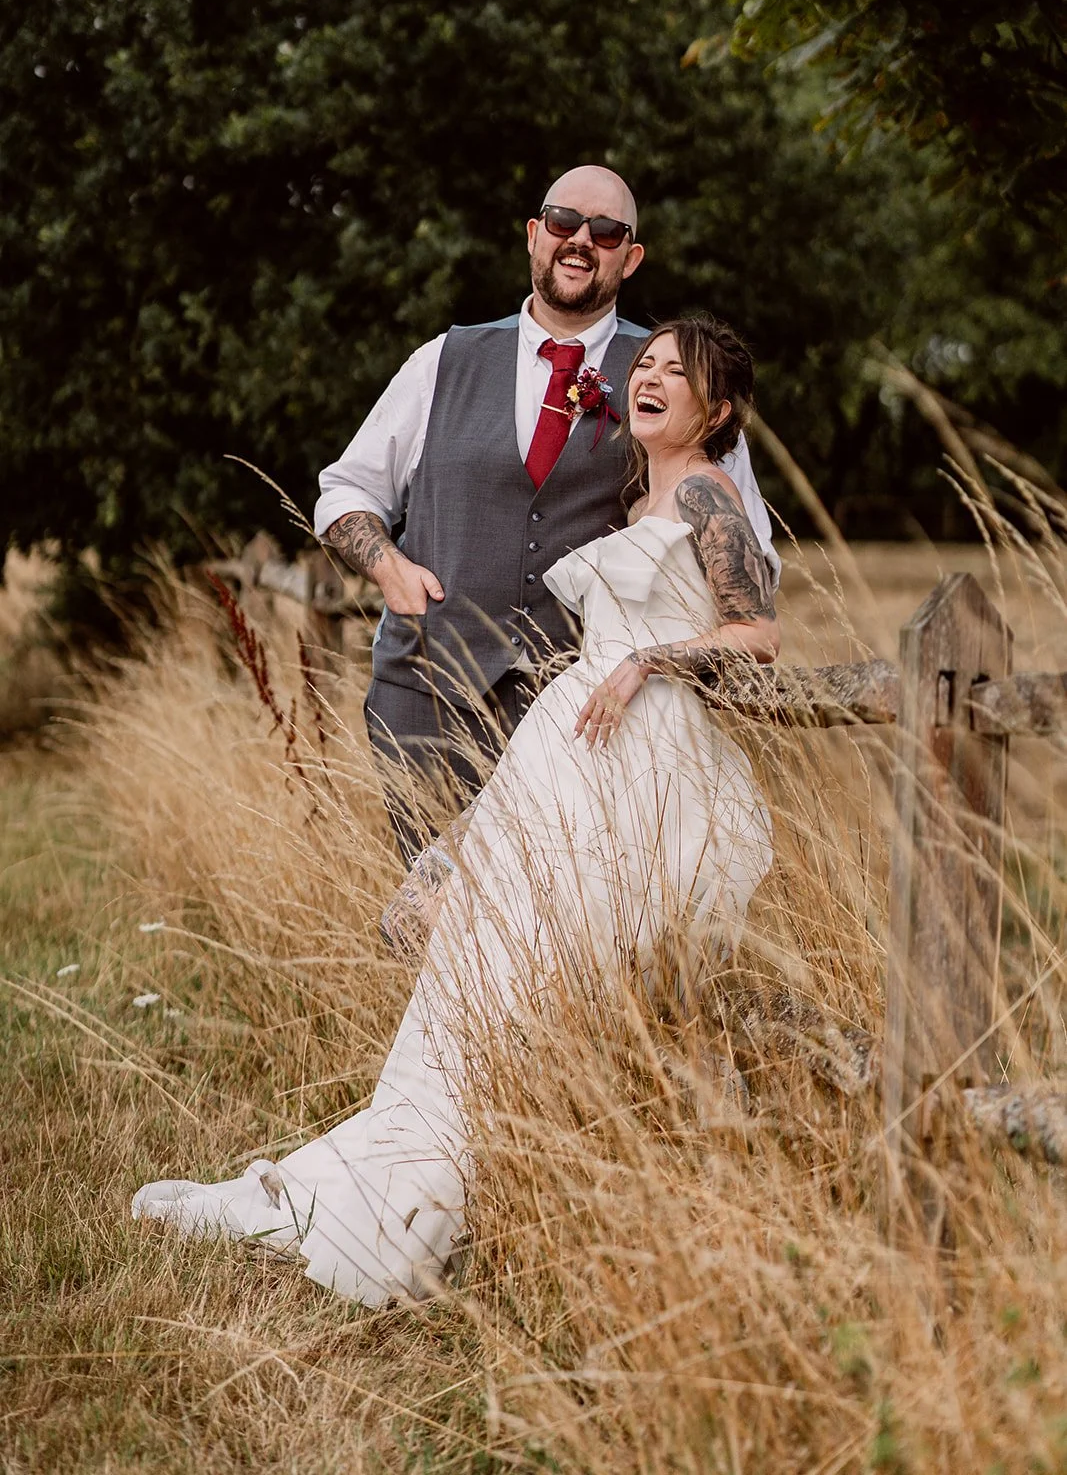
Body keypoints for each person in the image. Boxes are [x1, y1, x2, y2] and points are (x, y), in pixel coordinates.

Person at [132, 314, 777, 1308]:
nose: (645, 377)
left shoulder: (702, 489)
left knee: (521, 988)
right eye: (640, 365)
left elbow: (754, 635)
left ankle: (415, 1210)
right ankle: (343, 1189)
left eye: (673, 372)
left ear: (717, 408)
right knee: (470, 979)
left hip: (639, 762)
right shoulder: (637, 488)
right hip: (567, 754)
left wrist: (651, 659)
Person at [313, 165, 779, 863]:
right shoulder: (445, 358)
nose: (580, 240)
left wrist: (661, 657)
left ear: (630, 255)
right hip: (425, 689)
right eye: (562, 222)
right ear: (535, 236)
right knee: (428, 918)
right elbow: (346, 490)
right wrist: (389, 569)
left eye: (605, 230)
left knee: (547, 922)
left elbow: (747, 558)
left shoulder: (671, 375)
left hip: (582, 716)